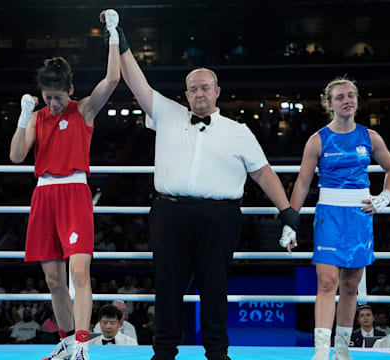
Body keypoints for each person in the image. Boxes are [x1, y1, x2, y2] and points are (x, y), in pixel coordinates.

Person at [110, 14, 300, 360]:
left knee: (215, 288)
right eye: (193, 88)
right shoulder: (167, 114)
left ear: (217, 92)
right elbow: (136, 82)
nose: (199, 92)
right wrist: (121, 43)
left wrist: (286, 210)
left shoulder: (238, 130)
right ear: (186, 94)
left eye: (205, 87)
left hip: (220, 216)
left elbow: (263, 173)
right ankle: (164, 352)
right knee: (167, 287)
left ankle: (217, 352)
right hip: (170, 211)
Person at [9, 9, 121, 360]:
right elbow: (16, 156)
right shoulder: (38, 117)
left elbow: (113, 80)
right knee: (54, 280)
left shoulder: (83, 110)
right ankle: (68, 342)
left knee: (79, 271)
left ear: (70, 90)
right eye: (48, 97)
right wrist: (24, 115)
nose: (53, 103)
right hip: (43, 194)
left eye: (58, 96)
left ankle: (84, 345)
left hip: (74, 192)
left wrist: (114, 34)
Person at [280, 77, 390, 360]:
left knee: (350, 285)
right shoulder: (317, 140)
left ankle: (343, 349)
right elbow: (302, 183)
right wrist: (290, 222)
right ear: (329, 103)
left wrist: (385, 197)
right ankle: (321, 350)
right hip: (329, 216)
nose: (347, 100)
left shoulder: (370, 137)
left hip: (359, 216)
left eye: (350, 95)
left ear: (356, 100)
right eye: (340, 97)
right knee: (326, 282)